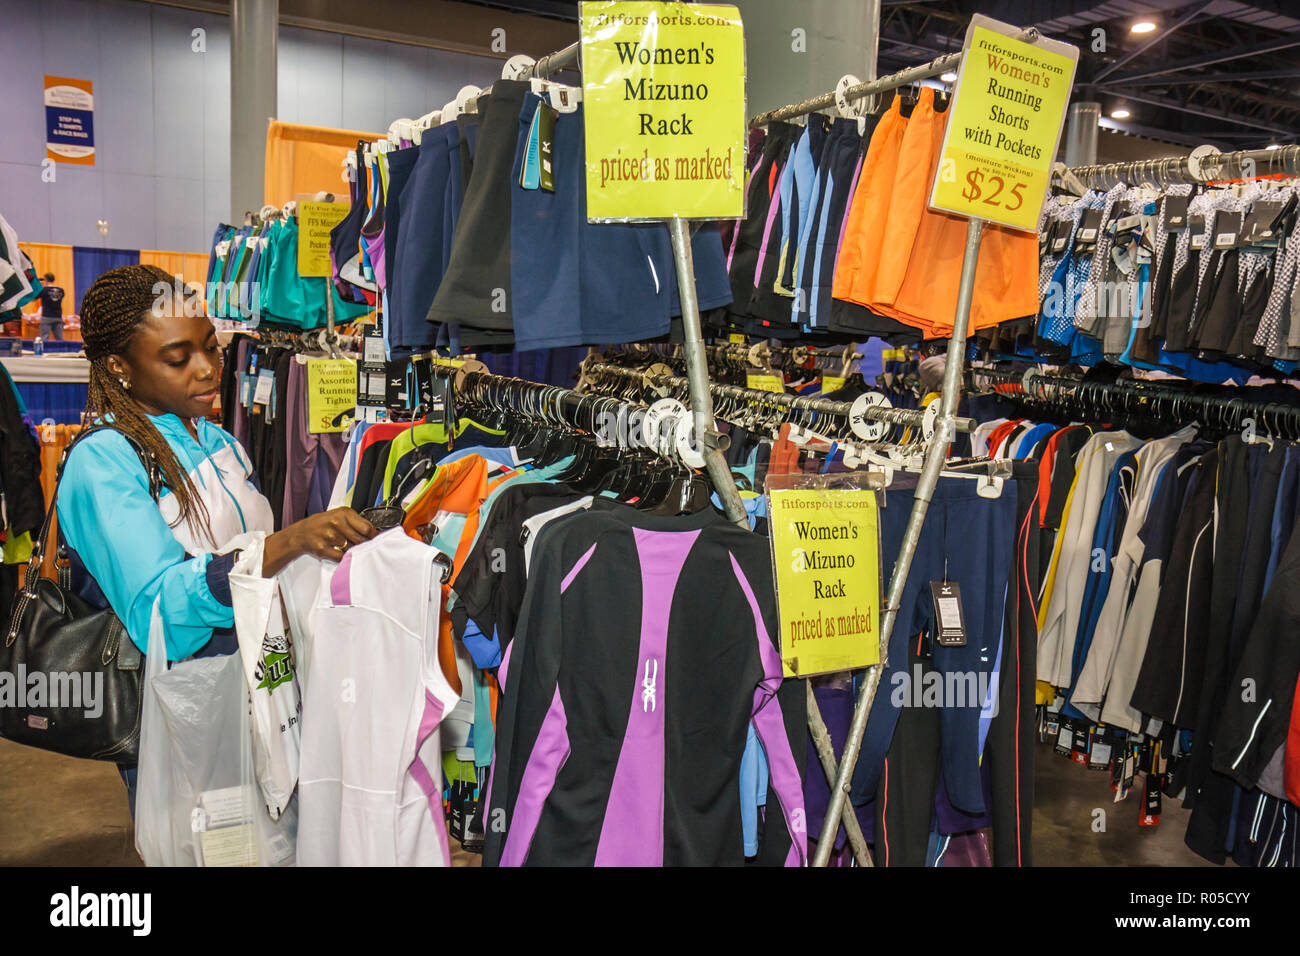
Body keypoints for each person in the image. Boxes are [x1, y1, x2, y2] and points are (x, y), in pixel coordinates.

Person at [55, 264, 377, 810]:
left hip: (261, 691)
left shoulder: (219, 441)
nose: (206, 371)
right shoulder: (102, 462)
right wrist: (287, 543)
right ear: (118, 367)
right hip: (182, 713)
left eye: (212, 349)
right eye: (179, 359)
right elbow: (161, 612)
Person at [37, 273, 65, 341]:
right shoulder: (61, 290)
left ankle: (45, 351)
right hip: (58, 316)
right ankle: (61, 351)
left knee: (44, 338)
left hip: (47, 316)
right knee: (59, 338)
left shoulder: (43, 290)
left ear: (46, 279)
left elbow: (34, 298)